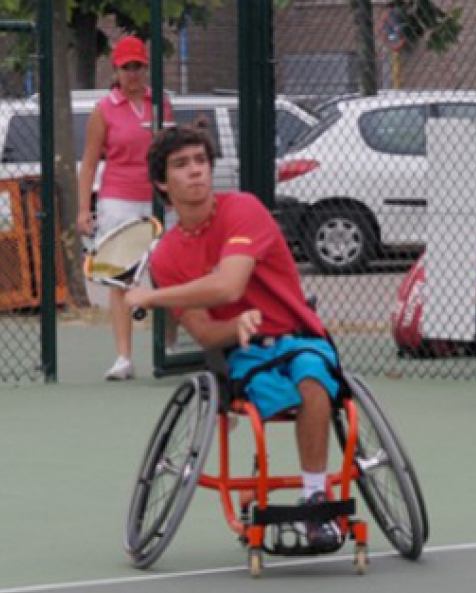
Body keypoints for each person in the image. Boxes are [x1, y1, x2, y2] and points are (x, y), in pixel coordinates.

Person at [125, 124, 342, 551]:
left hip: (299, 335)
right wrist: (237, 327)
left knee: (312, 377)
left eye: (201, 162)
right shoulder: (167, 256)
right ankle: (255, 486)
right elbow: (204, 331)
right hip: (244, 354)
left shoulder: (243, 209)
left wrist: (151, 296)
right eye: (182, 165)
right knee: (261, 400)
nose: (195, 173)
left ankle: (315, 495)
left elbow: (228, 287)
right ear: (161, 183)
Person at [77, 35, 174, 381]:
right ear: (116, 70)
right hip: (117, 200)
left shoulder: (160, 103)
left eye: (138, 66)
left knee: (168, 273)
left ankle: (171, 349)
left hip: (158, 200)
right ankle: (124, 358)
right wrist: (82, 210)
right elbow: (89, 163)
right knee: (120, 279)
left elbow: (170, 153)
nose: (133, 74)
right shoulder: (103, 110)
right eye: (126, 67)